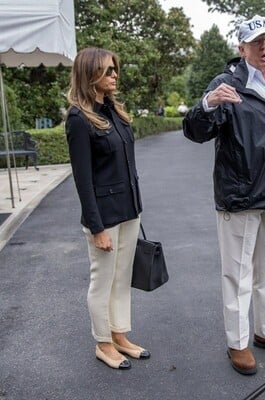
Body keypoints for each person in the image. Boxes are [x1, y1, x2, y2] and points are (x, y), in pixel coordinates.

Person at [183, 15, 265, 375]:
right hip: (240, 198)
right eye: (256, 42)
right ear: (242, 50)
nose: (264, 47)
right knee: (237, 276)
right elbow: (194, 131)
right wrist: (207, 103)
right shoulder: (227, 84)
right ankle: (238, 343)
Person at [65, 47, 149, 370]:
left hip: (128, 208)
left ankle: (119, 335)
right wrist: (97, 227)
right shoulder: (78, 119)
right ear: (90, 75)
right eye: (107, 70)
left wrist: (136, 204)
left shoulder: (114, 111)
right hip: (103, 216)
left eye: (115, 69)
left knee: (121, 278)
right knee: (102, 281)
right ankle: (103, 342)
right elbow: (82, 181)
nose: (114, 75)